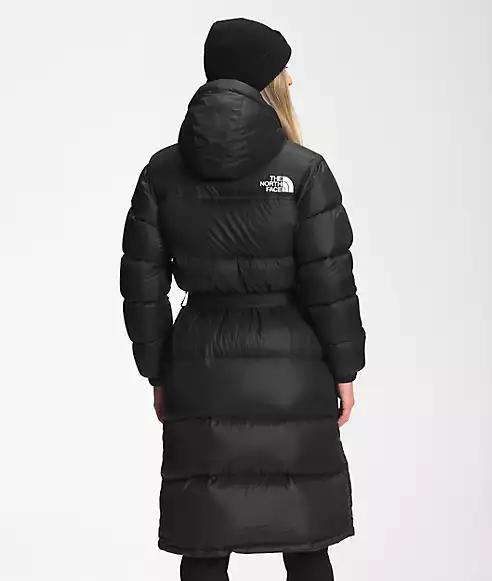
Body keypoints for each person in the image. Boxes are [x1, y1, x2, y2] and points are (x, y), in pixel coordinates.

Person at [120, 17, 366, 581]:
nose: (292, 79)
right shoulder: (304, 170)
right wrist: (345, 369)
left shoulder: (162, 172)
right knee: (306, 541)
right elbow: (331, 281)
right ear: (266, 80)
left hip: (200, 366)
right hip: (294, 371)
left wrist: (158, 371)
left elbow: (142, 284)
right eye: (285, 69)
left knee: (204, 544)